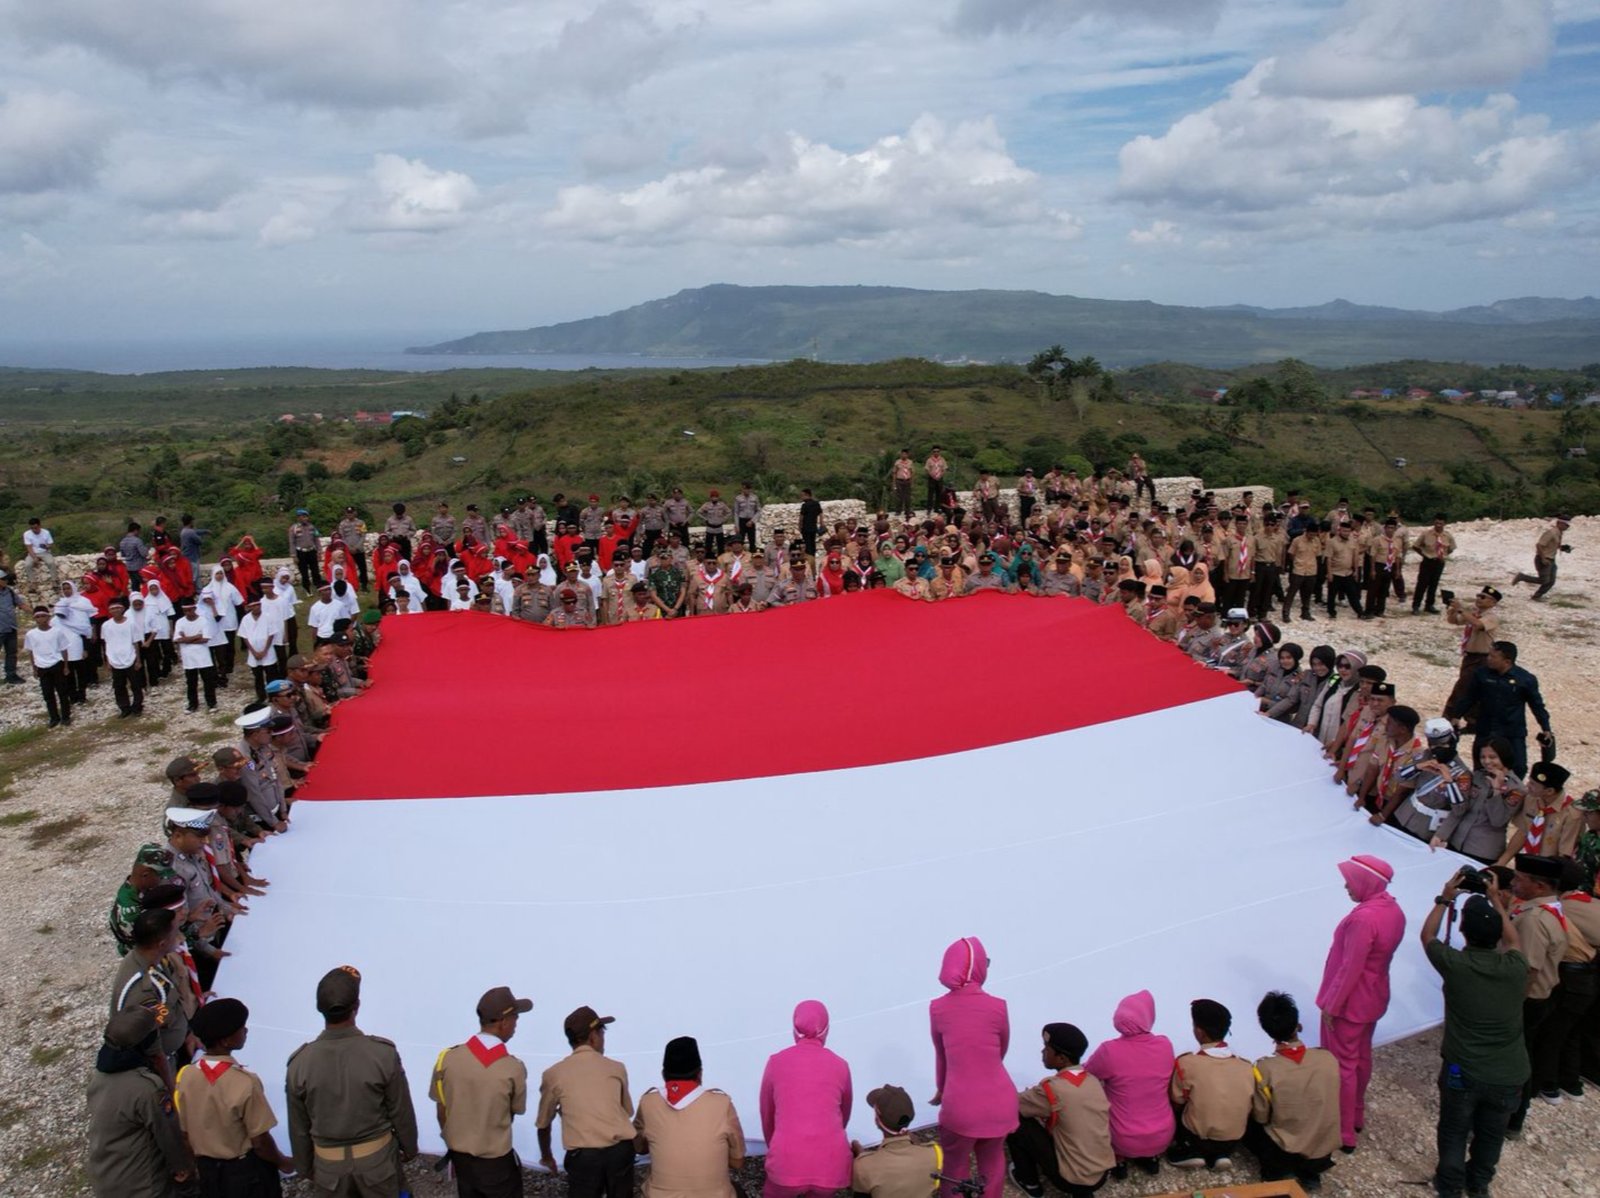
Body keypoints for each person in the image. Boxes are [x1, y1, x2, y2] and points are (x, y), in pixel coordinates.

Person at [1420, 872, 1528, 1198]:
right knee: (1491, 1134)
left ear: (1463, 930)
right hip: (1509, 1073)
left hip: (1463, 1069)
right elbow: (1514, 941)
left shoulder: (1455, 964)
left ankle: (1450, 1186)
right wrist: (1497, 900)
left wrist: (1445, 897)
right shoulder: (1514, 966)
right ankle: (1479, 1184)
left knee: (1454, 1129)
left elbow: (1428, 936)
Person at [285, 965, 419, 1198]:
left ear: (320, 1010)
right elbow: (400, 1109)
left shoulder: (300, 1063)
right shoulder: (382, 1054)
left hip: (329, 1169)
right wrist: (409, 1147)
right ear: (356, 1007)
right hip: (378, 1165)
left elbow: (299, 1127)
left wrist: (305, 1166)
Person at [1316, 854, 1405, 1154]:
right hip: (1374, 995)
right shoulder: (1393, 910)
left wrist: (1333, 1004)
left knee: (1342, 1065)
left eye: (1350, 881)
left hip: (1350, 1001)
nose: (1346, 887)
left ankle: (1342, 1129)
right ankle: (1355, 1114)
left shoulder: (1363, 918)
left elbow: (1350, 966)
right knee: (1361, 1057)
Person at [176, 997, 293, 1197]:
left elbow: (185, 1133)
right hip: (244, 1175)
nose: (245, 1031)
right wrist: (284, 1162)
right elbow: (261, 1143)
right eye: (241, 1028)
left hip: (208, 1172)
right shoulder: (244, 1083)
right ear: (226, 1040)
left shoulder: (187, 1075)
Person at [928, 936, 1015, 1198]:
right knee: (993, 1161)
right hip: (1001, 1101)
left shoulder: (938, 1009)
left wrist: (942, 1090)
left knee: (955, 1164)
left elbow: (942, 1056)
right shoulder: (998, 1006)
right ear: (978, 968)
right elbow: (1002, 1049)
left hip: (961, 1107)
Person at [431, 986, 533, 1198]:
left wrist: (454, 1141)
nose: (516, 1025)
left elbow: (442, 1110)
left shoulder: (447, 1059)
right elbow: (514, 1111)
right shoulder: (513, 1068)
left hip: (461, 1159)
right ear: (503, 1021)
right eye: (515, 1018)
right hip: (496, 1163)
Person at [87, 1007, 194, 1197]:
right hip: (144, 1185)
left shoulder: (99, 1079)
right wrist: (185, 1169)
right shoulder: (147, 1088)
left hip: (106, 1178)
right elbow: (169, 1136)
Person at [535, 1006, 635, 1196]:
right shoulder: (616, 1068)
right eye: (602, 1032)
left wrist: (547, 1156)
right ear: (593, 1036)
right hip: (619, 1153)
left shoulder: (554, 1074)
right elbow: (626, 1112)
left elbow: (543, 1123)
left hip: (583, 1159)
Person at [1505, 853, 1573, 1135]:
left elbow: (1527, 969)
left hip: (1526, 999)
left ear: (1540, 887)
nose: (1514, 883)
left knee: (1518, 1061)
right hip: (1539, 996)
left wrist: (1506, 1005)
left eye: (1521, 879)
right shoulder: (1548, 909)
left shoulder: (1534, 919)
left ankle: (1511, 1119)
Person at [1006, 1023, 1114, 1198]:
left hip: (1071, 1180)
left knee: (1016, 1120)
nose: (1042, 1052)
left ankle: (1029, 1182)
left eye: (1047, 1049)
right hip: (1102, 1174)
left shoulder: (1052, 1089)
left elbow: (1014, 1103)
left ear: (1061, 1058)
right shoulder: (1093, 1081)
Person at [632, 1035, 746, 1198]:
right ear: (700, 1074)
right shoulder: (722, 1103)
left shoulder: (648, 1102)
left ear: (664, 1075)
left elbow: (640, 1148)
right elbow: (738, 1162)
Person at [759, 999, 852, 1198]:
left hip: (787, 1162)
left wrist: (776, 1147)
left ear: (794, 1029)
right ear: (826, 1030)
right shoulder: (841, 1065)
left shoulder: (776, 1062)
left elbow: (767, 1114)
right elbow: (844, 1115)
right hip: (831, 1165)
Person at [1247, 992, 1338, 1192]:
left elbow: (1261, 1117)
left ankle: (1275, 1175)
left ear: (1267, 1030)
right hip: (1322, 1150)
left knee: (1251, 1121)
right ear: (1297, 1024)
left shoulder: (1265, 1068)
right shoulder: (1328, 1058)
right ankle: (1310, 1177)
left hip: (1285, 1151)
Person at [1083, 990, 1173, 1178]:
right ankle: (1149, 1157)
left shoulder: (1110, 1051)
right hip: (1163, 1135)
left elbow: (1086, 1074)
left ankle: (1119, 1160)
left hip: (1121, 1138)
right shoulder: (1165, 1045)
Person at [1166, 999, 1254, 1170]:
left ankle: (1191, 1151)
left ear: (1199, 1032)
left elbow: (1177, 1101)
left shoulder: (1186, 1062)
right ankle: (1221, 1155)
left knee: (1176, 1103)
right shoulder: (1246, 1066)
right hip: (1232, 1140)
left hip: (1196, 1138)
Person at [1446, 641, 1552, 776]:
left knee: (1519, 767)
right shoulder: (1482, 674)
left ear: (1507, 661)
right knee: (1481, 766)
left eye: (1493, 657)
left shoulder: (1525, 679)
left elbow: (1537, 705)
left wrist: (1546, 728)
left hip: (1512, 730)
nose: (1488, 659)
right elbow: (1469, 697)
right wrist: (1456, 716)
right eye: (1489, 655)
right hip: (1486, 728)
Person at [1510, 513, 1572, 600]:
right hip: (1544, 559)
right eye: (1566, 525)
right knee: (1543, 580)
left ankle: (1536, 597)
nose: (1567, 527)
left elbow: (1553, 545)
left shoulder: (1559, 533)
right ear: (1559, 523)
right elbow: (1539, 545)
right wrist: (1543, 558)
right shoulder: (1551, 532)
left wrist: (1564, 548)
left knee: (1551, 581)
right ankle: (1522, 577)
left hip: (1551, 559)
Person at [1412, 514, 1456, 614]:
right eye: (1436, 523)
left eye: (1441, 523)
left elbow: (1451, 548)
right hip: (1428, 560)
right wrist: (1424, 555)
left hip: (1439, 562)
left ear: (1445, 523)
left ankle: (1429, 605)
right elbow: (1415, 546)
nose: (1438, 525)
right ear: (1434, 522)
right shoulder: (1426, 534)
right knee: (1422, 584)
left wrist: (1443, 555)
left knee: (1434, 584)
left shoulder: (1448, 536)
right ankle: (1416, 605)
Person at [288, 510, 322, 591]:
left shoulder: (312, 527)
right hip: (300, 552)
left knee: (315, 570)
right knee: (304, 571)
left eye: (306, 516)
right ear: (298, 518)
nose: (304, 518)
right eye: (302, 517)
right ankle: (307, 588)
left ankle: (318, 585)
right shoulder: (294, 528)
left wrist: (319, 551)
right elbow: (291, 542)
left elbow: (316, 539)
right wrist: (294, 555)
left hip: (311, 550)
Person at [21, 515, 58, 589]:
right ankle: (33, 582)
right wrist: (34, 557)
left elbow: (50, 543)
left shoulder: (46, 532)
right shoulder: (27, 534)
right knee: (28, 565)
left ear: (39, 525)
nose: (34, 530)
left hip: (44, 552)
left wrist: (47, 546)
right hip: (33, 553)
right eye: (32, 528)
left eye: (35, 528)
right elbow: (29, 547)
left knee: (51, 563)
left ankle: (54, 581)